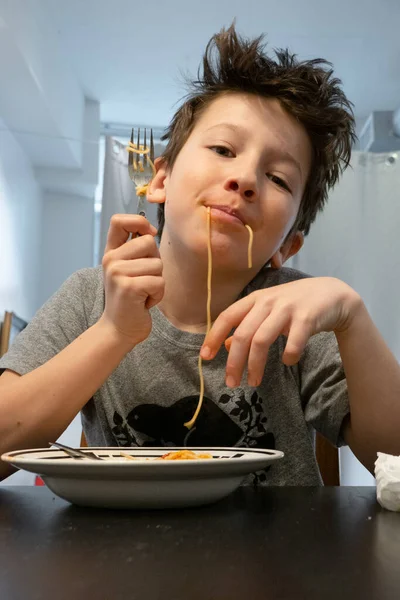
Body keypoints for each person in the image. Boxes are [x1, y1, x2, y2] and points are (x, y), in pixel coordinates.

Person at [1, 25, 399, 485]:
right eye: (223, 149)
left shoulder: (298, 313)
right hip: (118, 551)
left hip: (278, 554)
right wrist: (113, 330)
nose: (246, 178)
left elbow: (391, 459)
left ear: (288, 245)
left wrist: (352, 317)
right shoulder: (90, 296)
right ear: (161, 181)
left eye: (279, 179)